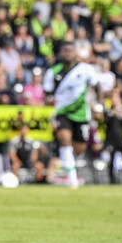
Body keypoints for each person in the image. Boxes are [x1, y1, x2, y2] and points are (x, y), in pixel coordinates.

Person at [43, 41, 98, 189]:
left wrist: (98, 106)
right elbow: (47, 94)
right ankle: (72, 178)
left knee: (79, 148)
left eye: (70, 51)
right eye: (65, 51)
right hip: (62, 112)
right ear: (60, 53)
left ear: (75, 53)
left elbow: (97, 85)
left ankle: (67, 165)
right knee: (65, 139)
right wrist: (49, 101)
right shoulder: (53, 72)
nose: (68, 53)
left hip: (81, 114)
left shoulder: (85, 69)